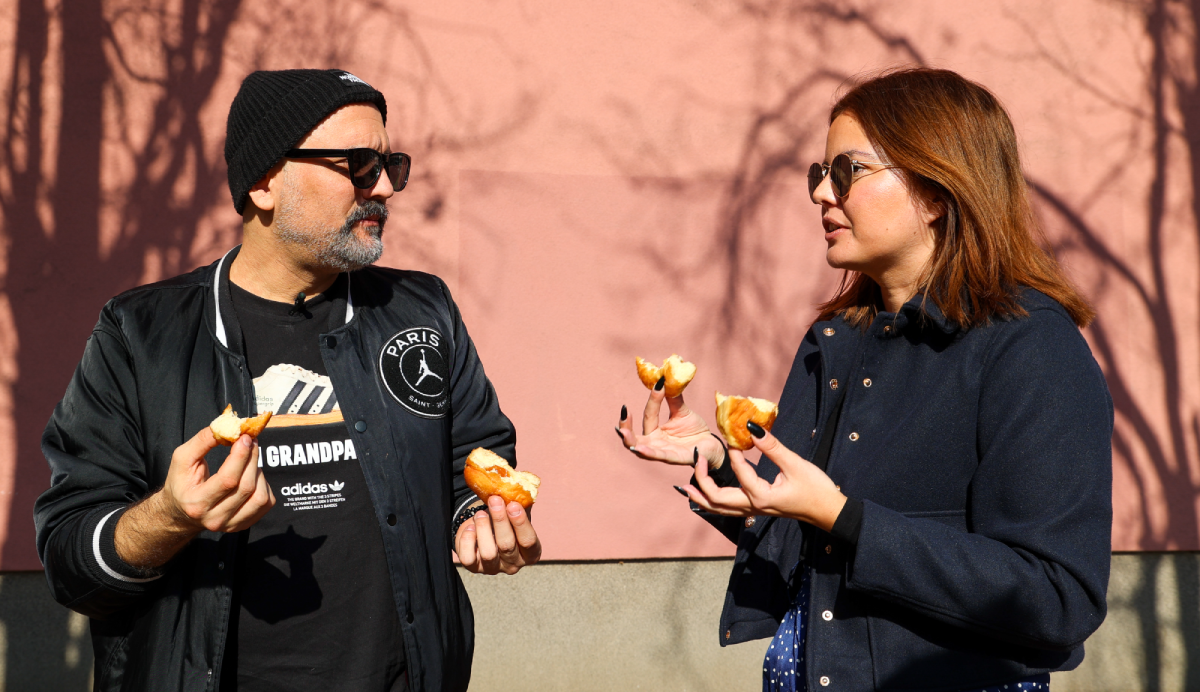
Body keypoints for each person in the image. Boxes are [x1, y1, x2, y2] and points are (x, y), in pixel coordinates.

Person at [34, 68, 540, 692]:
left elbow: (474, 454)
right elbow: (69, 560)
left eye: (389, 164)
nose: (383, 187)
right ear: (264, 182)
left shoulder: (421, 311)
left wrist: (476, 516)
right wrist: (171, 516)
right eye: (356, 164)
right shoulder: (141, 335)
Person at [617, 67, 1112, 692]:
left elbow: (1057, 597)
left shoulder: (1030, 347)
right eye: (818, 174)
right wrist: (721, 464)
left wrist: (845, 518)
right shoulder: (836, 341)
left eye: (847, 171)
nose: (823, 194)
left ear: (935, 192)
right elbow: (809, 532)